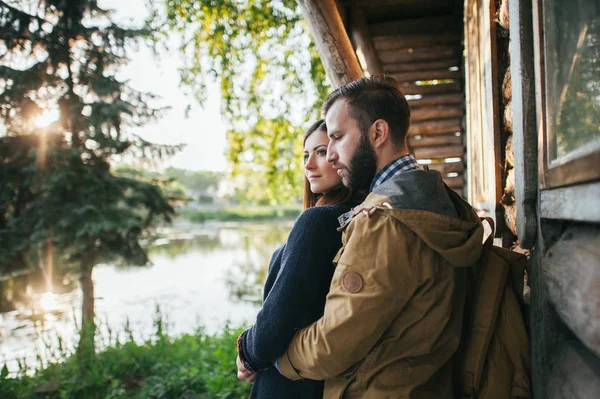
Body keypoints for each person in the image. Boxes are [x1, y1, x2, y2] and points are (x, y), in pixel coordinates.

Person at [275, 75, 485, 398]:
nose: (330, 154)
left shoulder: (384, 221)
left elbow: (333, 343)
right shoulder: (437, 197)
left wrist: (278, 357)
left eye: (338, 137)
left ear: (377, 133)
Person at [235, 120, 362, 398]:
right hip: (322, 380)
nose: (309, 165)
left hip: (287, 383)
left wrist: (248, 352)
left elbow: (279, 317)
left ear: (342, 154)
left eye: (320, 151)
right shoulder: (360, 215)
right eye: (306, 155)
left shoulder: (317, 221)